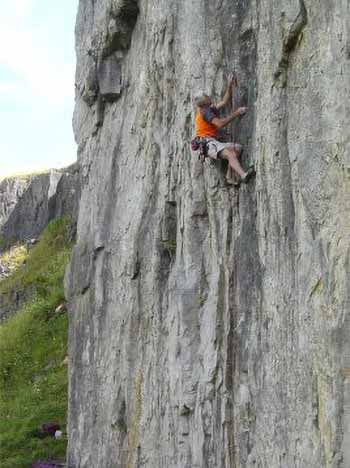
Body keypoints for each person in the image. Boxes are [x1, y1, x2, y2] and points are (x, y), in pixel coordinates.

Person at [194, 77, 255, 184]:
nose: (209, 97)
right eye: (207, 97)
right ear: (204, 102)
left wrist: (229, 86)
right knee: (230, 154)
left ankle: (229, 176)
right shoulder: (206, 112)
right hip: (208, 143)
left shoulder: (208, 109)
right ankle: (243, 175)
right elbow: (220, 124)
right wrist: (237, 113)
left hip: (212, 142)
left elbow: (224, 101)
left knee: (238, 148)